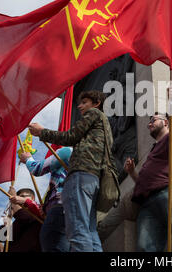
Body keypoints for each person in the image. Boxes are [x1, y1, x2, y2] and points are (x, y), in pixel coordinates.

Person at [28, 90, 113, 252]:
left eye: (85, 102)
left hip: (81, 175)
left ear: (96, 104)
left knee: (78, 230)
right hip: (94, 180)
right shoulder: (105, 126)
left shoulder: (94, 113)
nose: (80, 106)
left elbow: (71, 136)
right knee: (90, 231)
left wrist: (42, 132)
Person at [123, 85, 172, 252]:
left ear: (165, 122)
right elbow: (144, 182)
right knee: (145, 248)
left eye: (154, 120)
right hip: (148, 202)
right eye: (149, 122)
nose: (150, 123)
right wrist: (132, 173)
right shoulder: (153, 150)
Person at [19, 146, 72, 252]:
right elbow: (3, 241)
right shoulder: (8, 220)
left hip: (62, 208)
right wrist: (0, 226)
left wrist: (28, 158)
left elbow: (37, 169)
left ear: (33, 198)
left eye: (23, 196)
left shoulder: (68, 151)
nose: (16, 199)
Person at [0, 187, 42, 252]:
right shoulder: (18, 219)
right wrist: (7, 221)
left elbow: (25, 218)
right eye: (17, 197)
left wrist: (13, 199)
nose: (18, 199)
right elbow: (1, 238)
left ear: (32, 198)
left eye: (22, 196)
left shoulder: (39, 211)